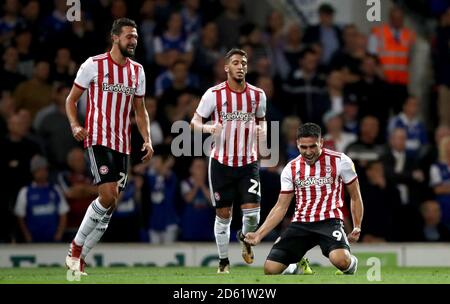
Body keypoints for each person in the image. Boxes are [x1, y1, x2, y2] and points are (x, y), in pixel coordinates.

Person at [64, 18, 154, 275]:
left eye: (135, 36)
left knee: (111, 204)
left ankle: (80, 259)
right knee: (107, 196)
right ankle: (76, 249)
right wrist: (74, 125)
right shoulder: (93, 65)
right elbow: (71, 100)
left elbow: (140, 109)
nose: (133, 41)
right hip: (98, 138)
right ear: (115, 37)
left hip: (122, 145)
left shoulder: (137, 71)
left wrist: (146, 139)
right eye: (128, 36)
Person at [245, 123, 363, 275]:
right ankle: (296, 266)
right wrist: (259, 234)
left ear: (321, 142)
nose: (308, 152)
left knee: (341, 261)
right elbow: (281, 206)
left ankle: (351, 263)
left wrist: (357, 225)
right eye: (303, 147)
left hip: (329, 221)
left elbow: (355, 195)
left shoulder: (341, 161)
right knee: (270, 269)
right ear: (297, 144)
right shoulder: (291, 168)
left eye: (313, 146)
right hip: (301, 223)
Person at [190, 48, 267, 273]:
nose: (241, 66)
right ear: (227, 68)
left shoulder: (257, 95)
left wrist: (261, 130)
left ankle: (244, 238)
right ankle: (223, 261)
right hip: (221, 163)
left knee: (252, 213)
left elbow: (261, 119)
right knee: (224, 215)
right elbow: (194, 122)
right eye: (235, 62)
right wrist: (208, 127)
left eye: (243, 62)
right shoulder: (214, 94)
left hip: (248, 162)